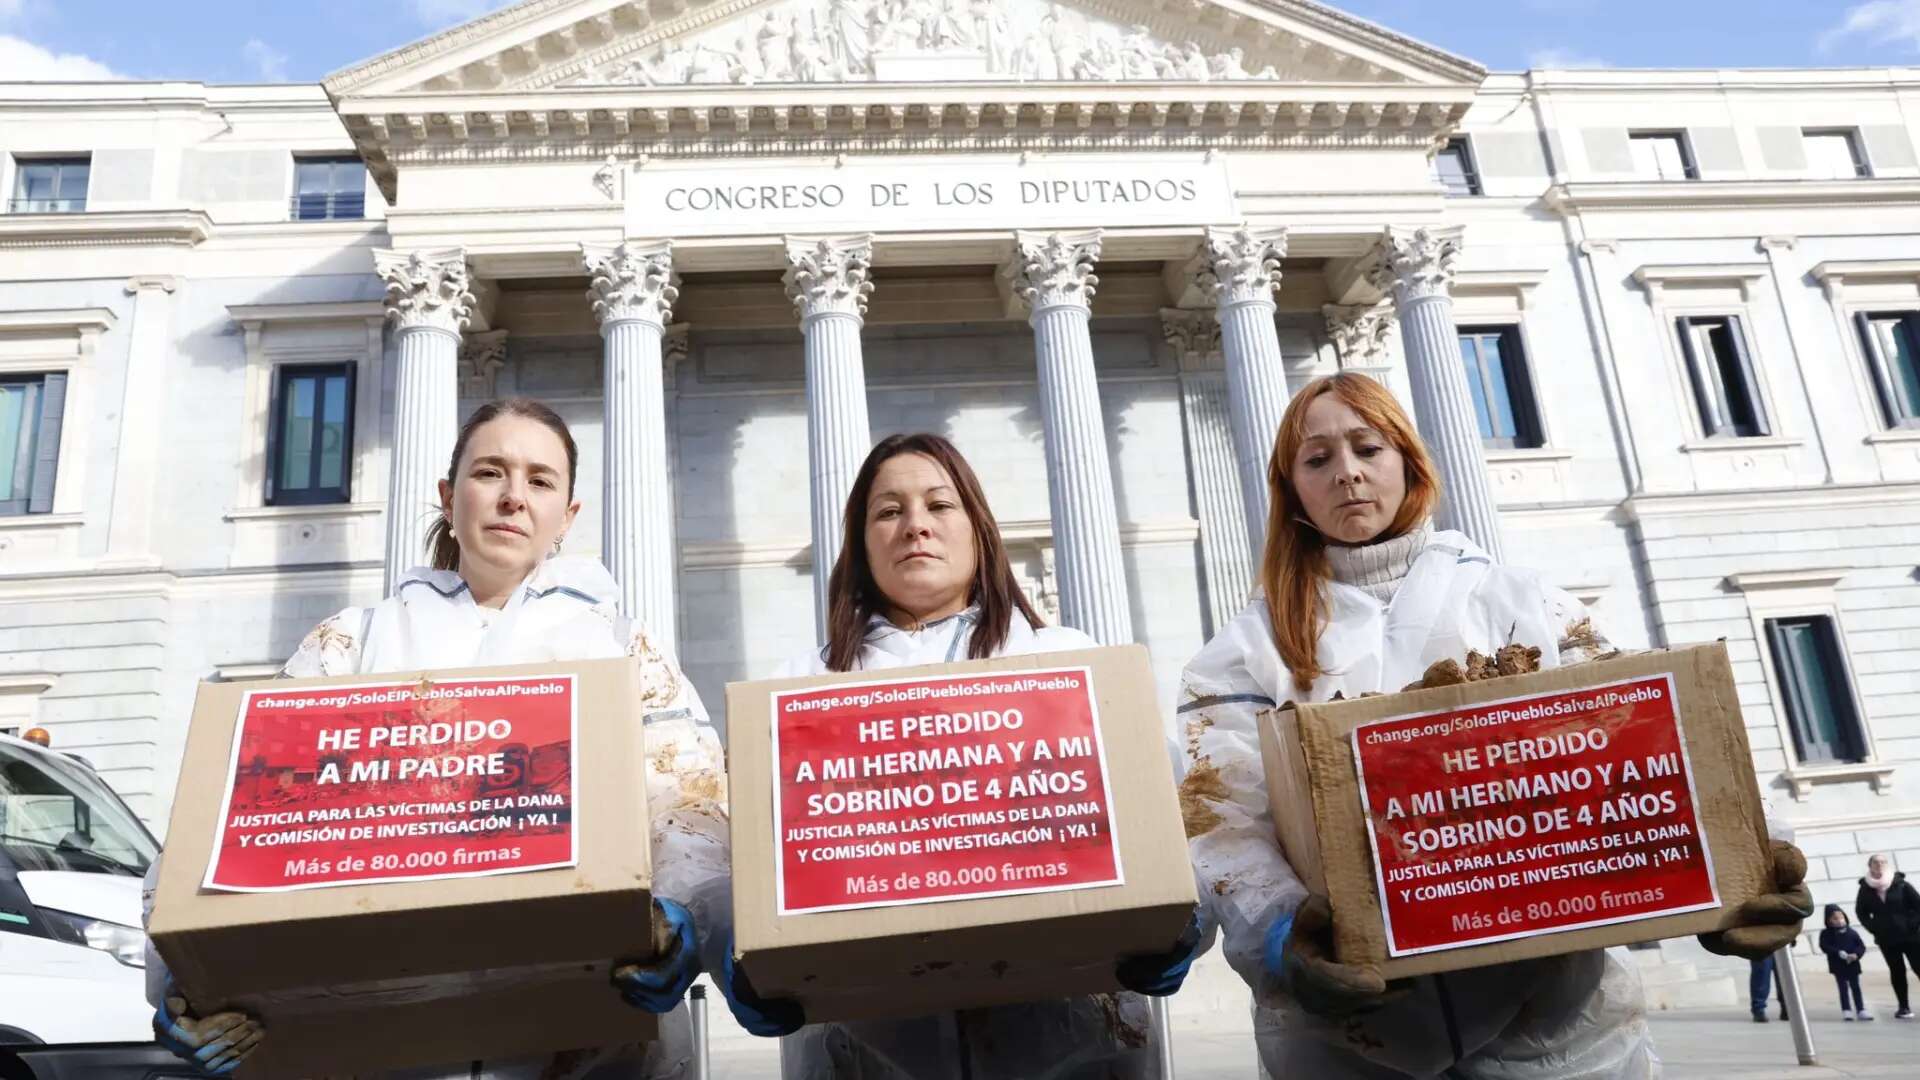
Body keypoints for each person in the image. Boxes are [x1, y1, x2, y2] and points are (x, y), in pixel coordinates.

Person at [1179, 373, 1814, 1078]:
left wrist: (1749, 860)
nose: (1348, 474)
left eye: (1367, 447)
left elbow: (1653, 738)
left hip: (1562, 1035)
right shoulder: (1244, 651)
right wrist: (1280, 933)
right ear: (1291, 488)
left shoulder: (1522, 601)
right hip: (1349, 1047)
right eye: (1318, 459)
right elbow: (1219, 818)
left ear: (1410, 465)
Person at [145, 398, 729, 1078]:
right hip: (384, 1043)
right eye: (490, 472)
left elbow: (689, 805)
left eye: (540, 481)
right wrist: (187, 976)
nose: (514, 497)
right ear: (449, 497)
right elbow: (241, 818)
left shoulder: (624, 651)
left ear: (567, 516)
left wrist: (683, 917)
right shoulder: (349, 643)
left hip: (590, 1043)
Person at [722, 432, 1200, 1079]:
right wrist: (741, 950)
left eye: (938, 505)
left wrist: (1180, 925)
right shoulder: (798, 690)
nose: (914, 525)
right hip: (864, 1044)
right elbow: (742, 856)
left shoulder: (1068, 664)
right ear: (860, 544)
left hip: (1071, 1040)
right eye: (888, 511)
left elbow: (1170, 821)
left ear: (979, 527)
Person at [1856, 853, 1920, 1019]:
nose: (1879, 865)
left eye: (1882, 862)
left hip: (1911, 936)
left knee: (1918, 966)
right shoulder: (1865, 888)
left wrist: (1912, 924)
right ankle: (1903, 1007)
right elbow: (1861, 912)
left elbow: (1918, 905)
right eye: (1875, 862)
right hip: (1887, 939)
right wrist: (1873, 927)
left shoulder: (1901, 884)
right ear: (1870, 866)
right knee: (1897, 971)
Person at [1819, 904, 1874, 1021]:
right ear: (1828, 920)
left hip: (1852, 964)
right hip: (1838, 965)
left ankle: (1861, 1009)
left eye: (1841, 917)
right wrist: (1838, 952)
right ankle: (1846, 1010)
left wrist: (1856, 955)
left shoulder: (1852, 932)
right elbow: (1824, 946)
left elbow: (1861, 946)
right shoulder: (1826, 934)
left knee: (1856, 987)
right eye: (1835, 918)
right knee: (1843, 988)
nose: (1839, 921)